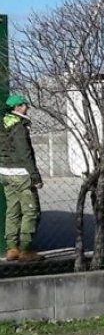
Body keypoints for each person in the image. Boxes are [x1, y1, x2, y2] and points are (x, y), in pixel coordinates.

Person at [0, 95, 43, 262]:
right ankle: (25, 250)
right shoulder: (18, 127)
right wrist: (35, 176)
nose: (27, 107)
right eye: (25, 105)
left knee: (13, 211)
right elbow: (25, 154)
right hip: (21, 174)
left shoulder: (3, 124)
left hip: (5, 172)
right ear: (17, 107)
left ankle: (12, 248)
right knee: (31, 211)